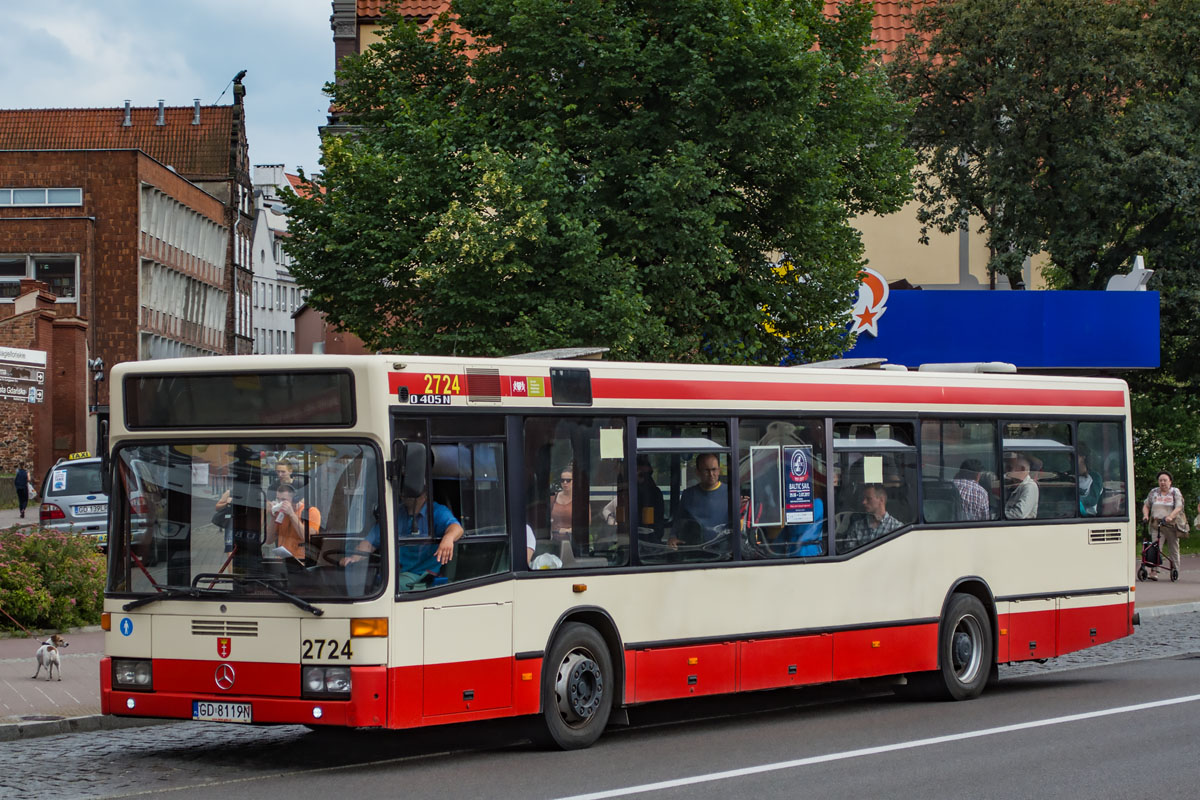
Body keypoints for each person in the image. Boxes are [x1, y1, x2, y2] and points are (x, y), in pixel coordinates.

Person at [343, 491, 463, 590]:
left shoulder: (436, 512)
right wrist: (354, 557)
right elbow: (371, 542)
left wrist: (448, 538)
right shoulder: (397, 513)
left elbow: (456, 528)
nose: (403, 494)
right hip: (393, 571)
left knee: (385, 589)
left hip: (421, 575)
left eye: (409, 490)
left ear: (423, 492)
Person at [670, 453, 729, 546]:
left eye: (714, 469)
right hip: (695, 550)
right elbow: (678, 520)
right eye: (706, 470)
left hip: (723, 552)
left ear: (719, 470)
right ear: (697, 472)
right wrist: (672, 537)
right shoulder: (688, 494)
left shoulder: (731, 493)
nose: (711, 474)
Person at [602, 455, 665, 541]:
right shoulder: (624, 494)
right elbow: (607, 509)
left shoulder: (654, 493)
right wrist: (612, 520)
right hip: (626, 538)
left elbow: (657, 523)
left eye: (641, 475)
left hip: (649, 538)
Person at [1142, 470, 1185, 580]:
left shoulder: (1175, 492)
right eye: (1160, 480)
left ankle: (1175, 569)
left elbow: (1179, 507)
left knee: (1174, 548)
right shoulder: (1154, 492)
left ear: (1170, 482)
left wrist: (1170, 516)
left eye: (1165, 480)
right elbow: (1146, 505)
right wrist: (1146, 515)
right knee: (1155, 547)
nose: (1162, 482)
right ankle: (1154, 571)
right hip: (1157, 524)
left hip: (1171, 525)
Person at [264, 482, 321, 560]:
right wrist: (273, 516)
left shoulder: (311, 512)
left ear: (295, 499)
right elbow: (268, 540)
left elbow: (308, 538)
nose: (280, 503)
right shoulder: (280, 513)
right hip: (282, 560)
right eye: (278, 499)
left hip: (302, 560)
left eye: (284, 500)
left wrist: (291, 514)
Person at [842, 484, 901, 551]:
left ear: (881, 500)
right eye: (863, 498)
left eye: (869, 499)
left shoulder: (897, 528)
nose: (864, 502)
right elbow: (849, 552)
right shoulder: (857, 526)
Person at [550, 464, 590, 541]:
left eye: (568, 480)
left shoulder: (581, 501)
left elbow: (585, 525)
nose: (565, 483)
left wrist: (568, 531)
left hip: (574, 542)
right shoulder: (552, 498)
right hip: (554, 542)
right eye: (562, 480)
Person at [1003, 453, 1039, 519]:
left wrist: (997, 516)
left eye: (1009, 468)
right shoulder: (1013, 484)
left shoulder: (1029, 486)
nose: (1006, 471)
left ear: (1022, 469)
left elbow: (1018, 514)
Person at [1076, 446, 1103, 516]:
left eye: (1072, 455)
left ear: (1083, 457)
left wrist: (1075, 500)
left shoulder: (1095, 477)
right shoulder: (1069, 476)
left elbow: (1093, 499)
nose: (1069, 458)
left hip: (1089, 519)